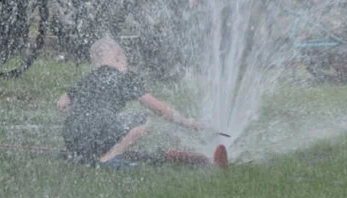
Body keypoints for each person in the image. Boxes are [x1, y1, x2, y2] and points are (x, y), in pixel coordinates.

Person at [57, 36, 227, 168]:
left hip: (72, 136)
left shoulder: (87, 79)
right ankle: (108, 158)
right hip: (100, 132)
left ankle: (87, 155)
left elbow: (62, 103)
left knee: (99, 127)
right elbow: (158, 108)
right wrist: (188, 123)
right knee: (144, 119)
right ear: (118, 57)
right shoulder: (125, 78)